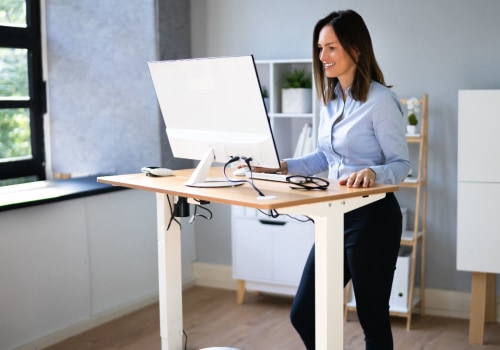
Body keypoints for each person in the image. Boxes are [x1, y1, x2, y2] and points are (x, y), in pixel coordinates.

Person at [253, 9, 410, 350]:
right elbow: (324, 158)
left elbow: (401, 164)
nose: (322, 56)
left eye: (332, 47)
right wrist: (281, 167)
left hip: (373, 218)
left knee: (372, 320)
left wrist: (373, 172)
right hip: (335, 217)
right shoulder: (330, 102)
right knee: (303, 314)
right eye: (320, 48)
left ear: (356, 49)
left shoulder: (381, 101)